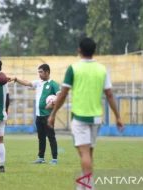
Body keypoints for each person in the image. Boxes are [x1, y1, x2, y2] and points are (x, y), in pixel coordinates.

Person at [48, 37, 124, 189]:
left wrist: (53, 113)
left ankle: (88, 186)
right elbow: (109, 94)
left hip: (80, 117)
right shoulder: (102, 69)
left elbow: (62, 95)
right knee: (88, 152)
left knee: (84, 153)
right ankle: (84, 185)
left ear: (79, 50)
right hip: (96, 118)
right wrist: (118, 117)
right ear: (95, 51)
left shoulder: (73, 69)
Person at [10, 64, 60, 164]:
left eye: (41, 72)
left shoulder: (53, 84)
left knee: (51, 136)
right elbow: (26, 83)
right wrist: (15, 79)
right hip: (38, 115)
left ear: (47, 72)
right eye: (39, 72)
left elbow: (60, 96)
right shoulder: (38, 83)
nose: (39, 74)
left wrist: (53, 102)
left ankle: (54, 158)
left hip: (48, 115)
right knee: (41, 137)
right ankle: (41, 158)